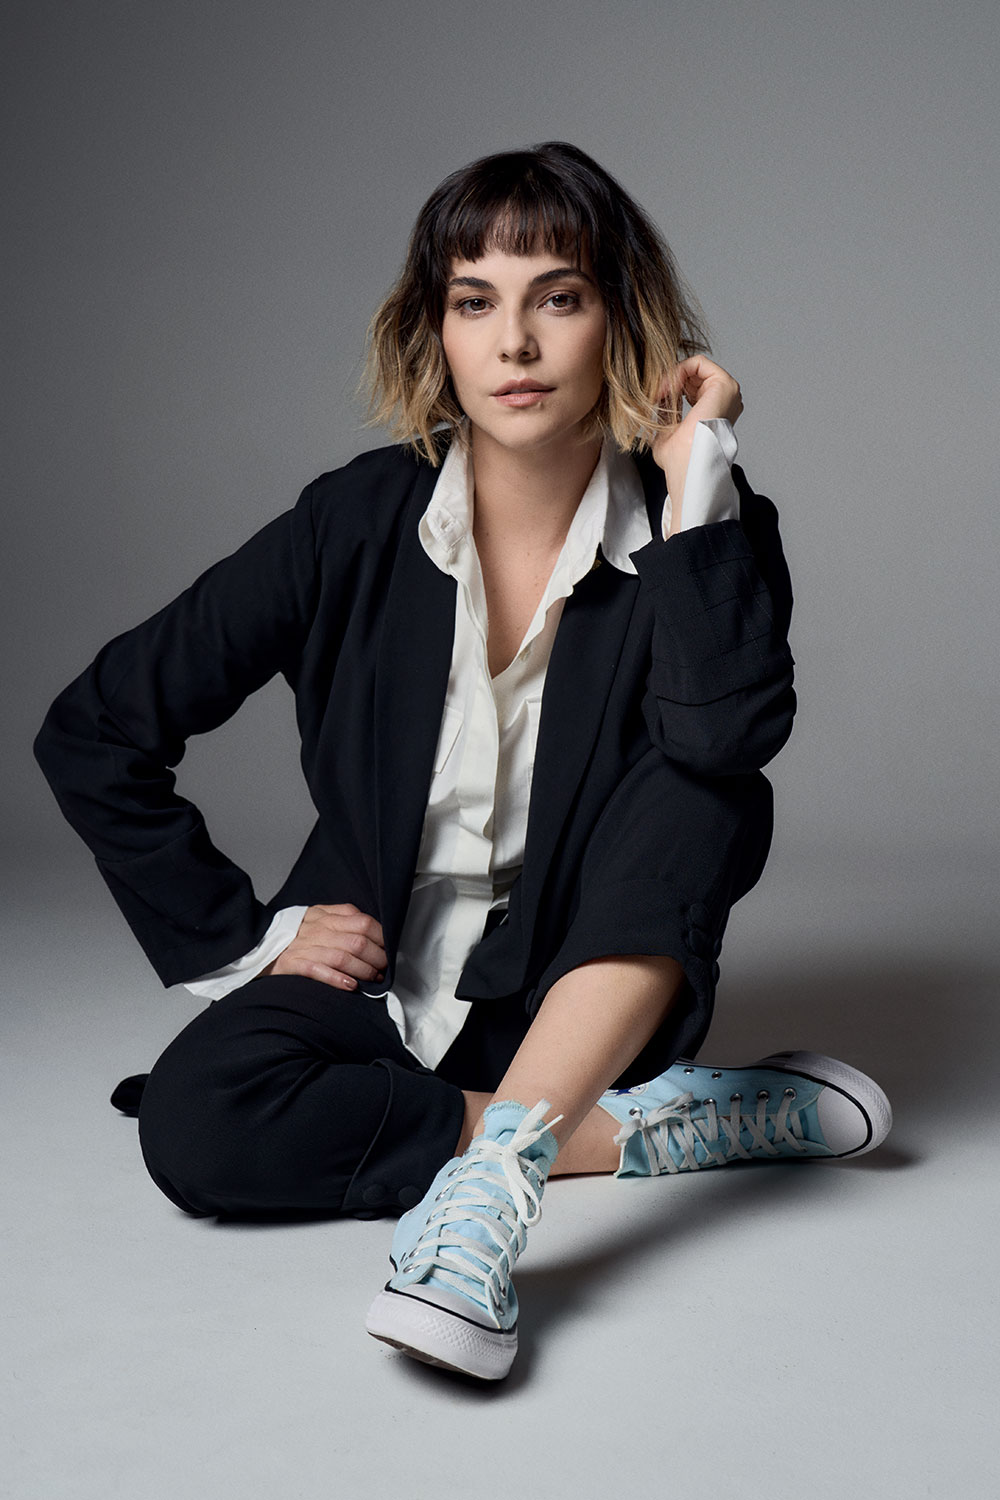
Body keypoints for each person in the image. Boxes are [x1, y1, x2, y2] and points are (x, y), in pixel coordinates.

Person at [34, 141, 891, 1382]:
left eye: (560, 297)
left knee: (704, 777)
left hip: (576, 989)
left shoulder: (701, 532)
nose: (515, 344)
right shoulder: (353, 521)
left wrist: (698, 480)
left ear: (619, 318)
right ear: (433, 332)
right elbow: (96, 727)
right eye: (474, 302)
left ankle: (493, 1188)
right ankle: (662, 1132)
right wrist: (245, 937)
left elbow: (727, 738)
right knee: (195, 1122)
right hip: (381, 975)